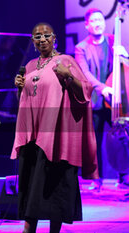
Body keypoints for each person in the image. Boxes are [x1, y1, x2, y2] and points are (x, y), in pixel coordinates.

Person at [12, 22, 98, 233]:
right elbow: (25, 101)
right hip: (33, 135)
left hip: (56, 136)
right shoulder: (31, 65)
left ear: (54, 38)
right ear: (33, 42)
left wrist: (67, 75)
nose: (42, 39)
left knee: (54, 186)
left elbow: (86, 91)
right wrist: (19, 88)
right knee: (32, 185)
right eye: (37, 37)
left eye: (45, 35)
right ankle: (28, 229)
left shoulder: (66, 60)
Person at [75, 8, 129, 189]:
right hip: (96, 99)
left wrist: (126, 55)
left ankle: (124, 176)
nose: (97, 23)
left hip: (116, 100)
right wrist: (103, 87)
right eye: (93, 21)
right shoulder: (81, 48)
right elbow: (85, 73)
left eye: (100, 20)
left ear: (104, 23)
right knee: (94, 142)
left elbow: (125, 66)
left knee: (123, 138)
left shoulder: (114, 40)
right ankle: (95, 180)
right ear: (87, 25)